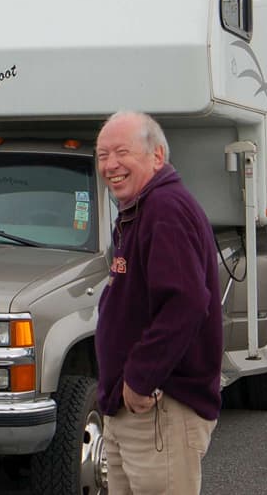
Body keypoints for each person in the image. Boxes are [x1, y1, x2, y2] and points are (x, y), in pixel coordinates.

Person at [94, 111, 222, 494]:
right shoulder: (140, 210)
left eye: (121, 152)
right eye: (102, 155)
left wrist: (139, 378)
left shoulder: (165, 209)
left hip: (158, 410)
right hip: (132, 410)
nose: (110, 165)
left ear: (157, 155)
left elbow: (185, 303)